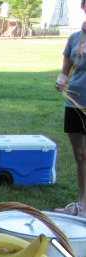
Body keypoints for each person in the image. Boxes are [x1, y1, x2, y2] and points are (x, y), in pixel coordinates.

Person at [55, 0, 86, 217]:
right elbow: (65, 69)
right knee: (81, 156)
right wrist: (61, 80)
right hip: (74, 101)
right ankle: (83, 205)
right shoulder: (76, 37)